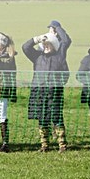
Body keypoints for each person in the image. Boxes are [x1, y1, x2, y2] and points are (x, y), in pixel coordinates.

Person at [22, 20, 72, 152]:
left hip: (54, 91)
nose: (46, 46)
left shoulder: (59, 56)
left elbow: (66, 41)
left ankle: (62, 145)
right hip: (39, 91)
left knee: (56, 117)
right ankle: (44, 145)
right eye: (44, 44)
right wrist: (37, 39)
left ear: (54, 45)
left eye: (49, 44)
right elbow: (25, 47)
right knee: (42, 118)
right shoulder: (37, 56)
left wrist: (57, 27)